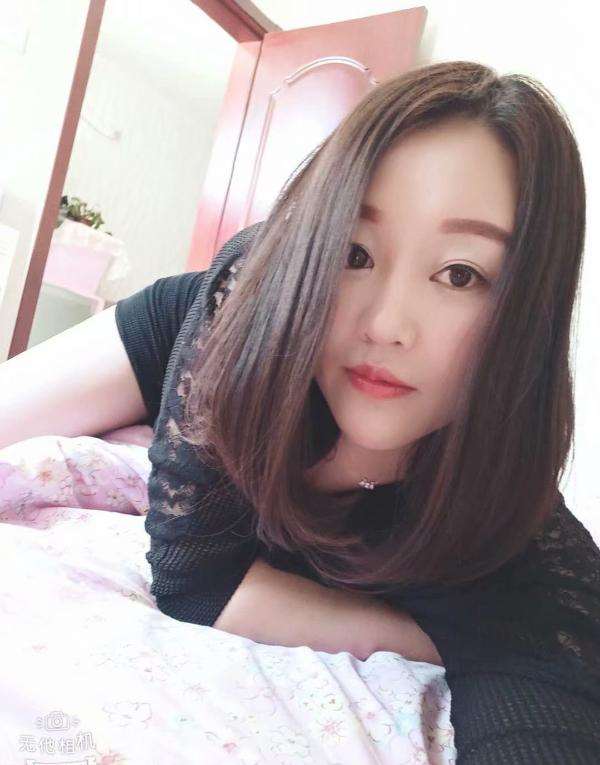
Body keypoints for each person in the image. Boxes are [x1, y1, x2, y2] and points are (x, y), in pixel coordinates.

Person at [2, 60, 599, 762]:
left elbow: (544, 694)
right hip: (199, 339)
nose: (385, 325)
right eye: (354, 252)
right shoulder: (244, 300)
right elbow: (194, 583)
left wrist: (482, 645)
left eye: (459, 274)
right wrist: (427, 638)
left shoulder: (522, 539)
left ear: (530, 308)